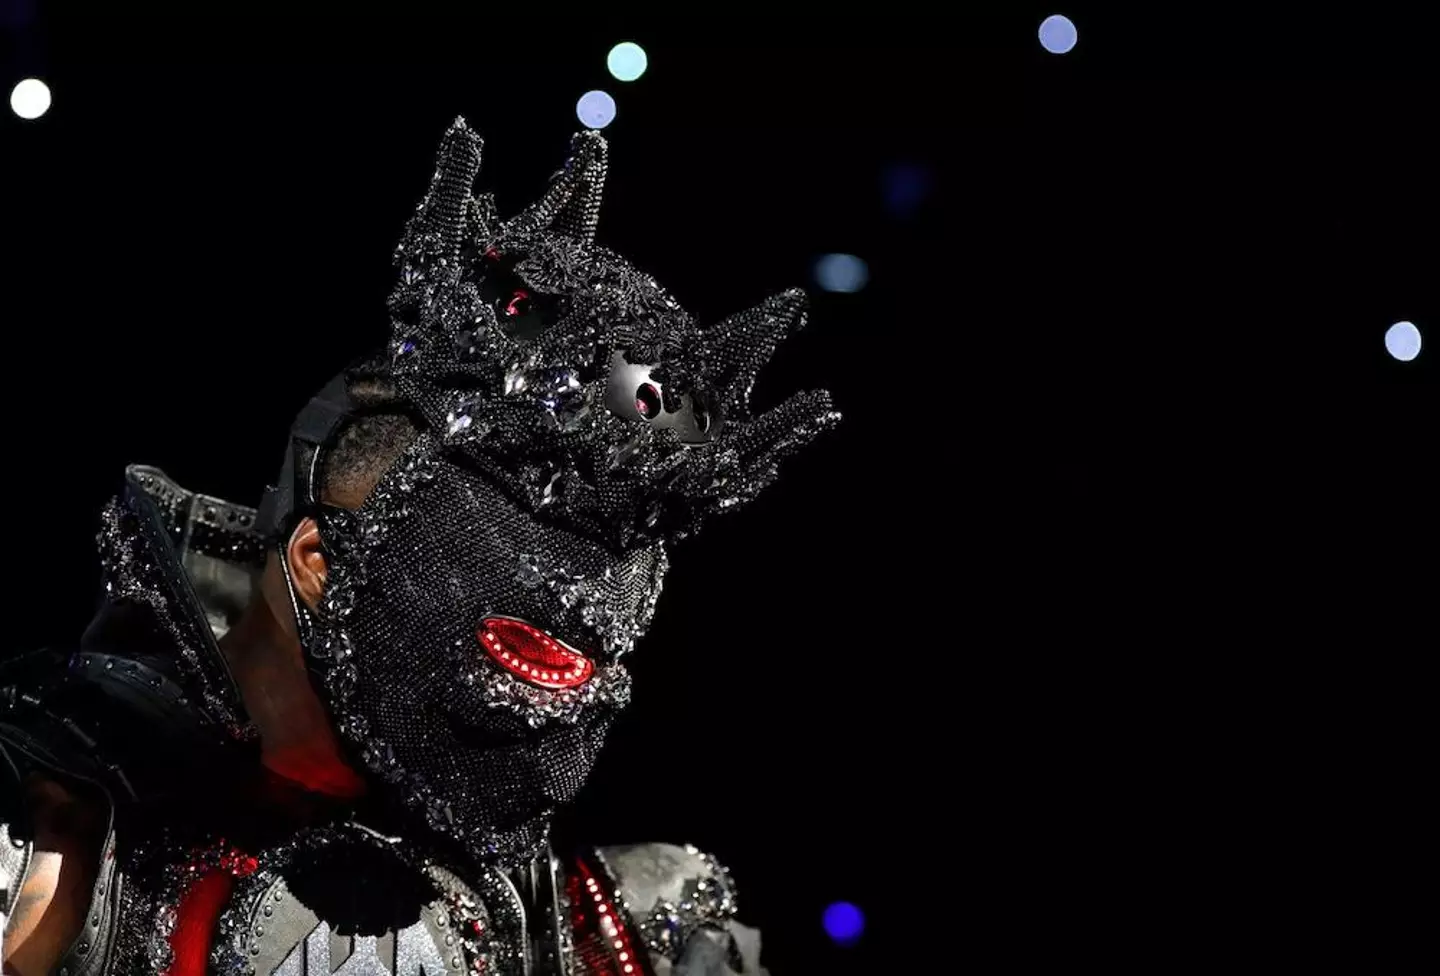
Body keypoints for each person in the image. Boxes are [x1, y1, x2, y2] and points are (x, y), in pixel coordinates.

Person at [0, 118, 837, 976]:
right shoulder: (48, 846)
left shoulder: (616, 930)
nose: (584, 635)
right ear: (322, 564)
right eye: (519, 638)